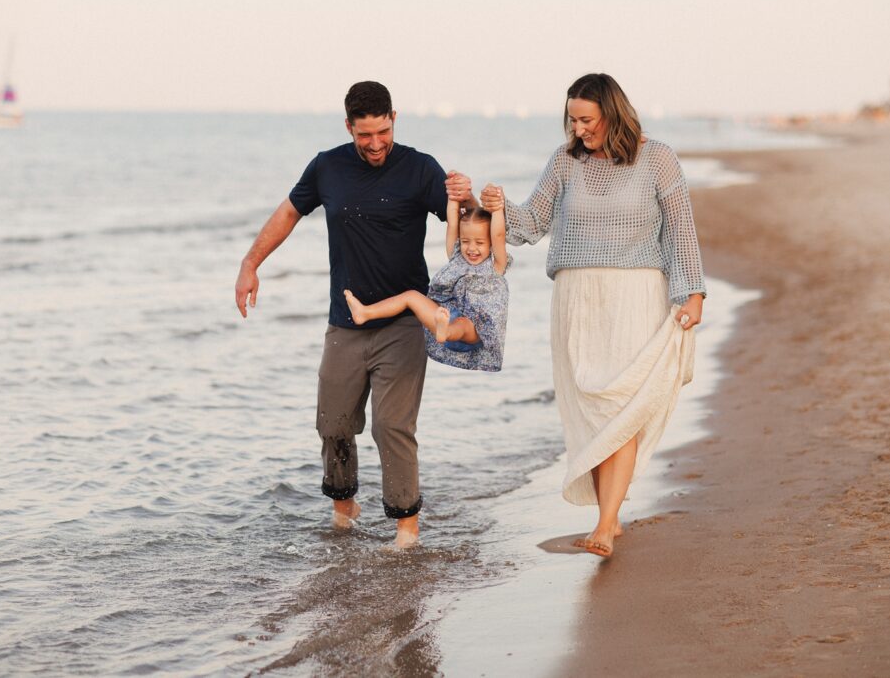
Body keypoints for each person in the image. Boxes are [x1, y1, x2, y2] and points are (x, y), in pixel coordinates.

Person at [234, 81, 475, 548]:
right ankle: (344, 514)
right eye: (365, 135)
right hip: (345, 322)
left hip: (405, 321)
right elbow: (287, 214)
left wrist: (464, 198)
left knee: (392, 426)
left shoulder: (420, 169)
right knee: (334, 424)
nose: (375, 143)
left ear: (394, 120)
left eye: (382, 132)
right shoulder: (328, 166)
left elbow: (466, 229)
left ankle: (407, 530)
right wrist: (250, 263)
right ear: (349, 127)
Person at [480, 73, 706, 558]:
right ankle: (609, 513)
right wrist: (498, 208)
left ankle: (605, 524)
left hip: (637, 293)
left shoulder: (658, 158)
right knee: (591, 407)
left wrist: (693, 293)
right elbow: (532, 223)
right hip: (576, 297)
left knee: (622, 402)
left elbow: (680, 229)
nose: (578, 128)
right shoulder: (565, 161)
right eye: (572, 120)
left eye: (586, 119)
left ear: (612, 113)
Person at [344, 198, 509, 372]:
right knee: (411, 296)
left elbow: (498, 235)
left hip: (474, 330)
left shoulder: (496, 265)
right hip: (444, 316)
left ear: (490, 243)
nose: (471, 248)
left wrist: (497, 208)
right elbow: (452, 224)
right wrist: (453, 199)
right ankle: (365, 312)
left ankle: (446, 331)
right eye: (466, 241)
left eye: (480, 243)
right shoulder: (456, 257)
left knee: (462, 323)